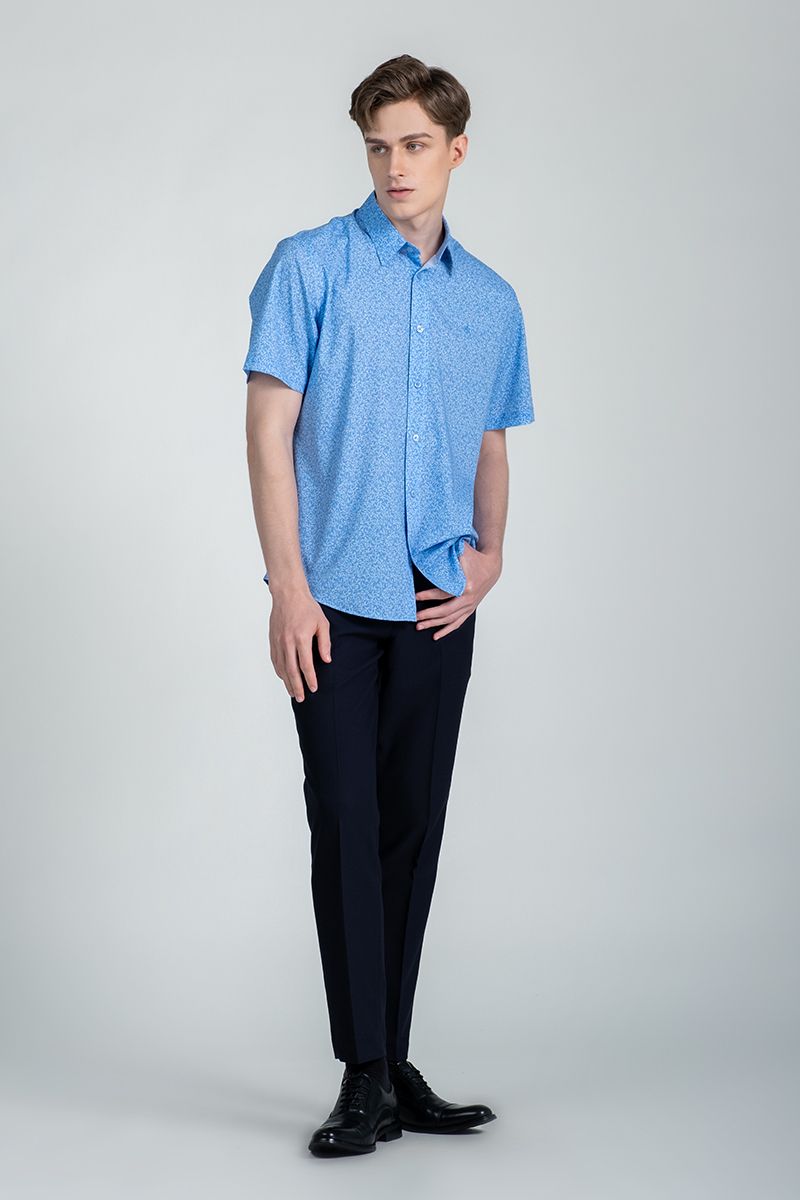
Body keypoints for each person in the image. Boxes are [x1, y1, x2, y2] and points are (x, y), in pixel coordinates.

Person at [243, 53, 535, 1157]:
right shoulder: (309, 266)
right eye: (378, 145)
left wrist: (489, 558)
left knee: (412, 826)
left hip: (435, 604)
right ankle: (362, 1071)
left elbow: (490, 439)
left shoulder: (490, 301)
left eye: (414, 144)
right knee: (346, 825)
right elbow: (267, 431)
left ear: (456, 149)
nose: (394, 165)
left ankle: (393, 1059)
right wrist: (288, 589)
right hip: (331, 598)